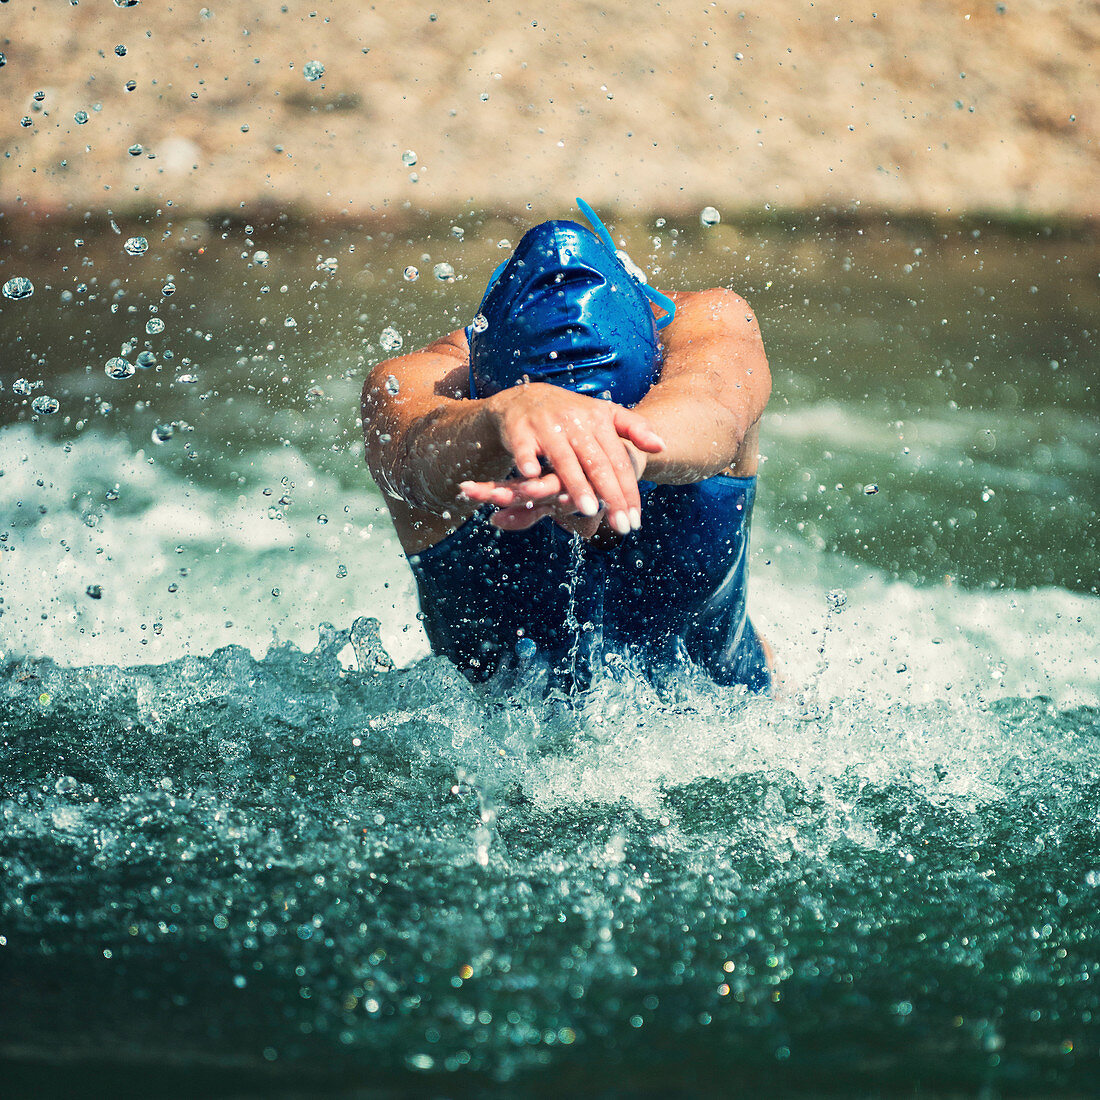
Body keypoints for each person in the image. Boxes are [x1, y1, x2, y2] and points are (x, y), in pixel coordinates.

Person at [361, 200, 773, 692]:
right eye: (540, 455)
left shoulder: (711, 327)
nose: (581, 492)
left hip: (752, 717)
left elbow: (716, 408)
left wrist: (626, 448)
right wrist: (501, 421)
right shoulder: (423, 388)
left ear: (658, 372)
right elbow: (411, 454)